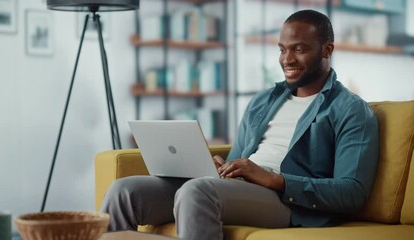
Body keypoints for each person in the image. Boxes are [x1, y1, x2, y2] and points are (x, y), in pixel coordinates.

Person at [100, 9, 379, 240]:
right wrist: (222, 167)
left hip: (287, 202)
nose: (287, 59)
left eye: (300, 49)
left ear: (327, 50)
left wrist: (276, 180)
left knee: (197, 191)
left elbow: (352, 192)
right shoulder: (264, 100)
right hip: (243, 188)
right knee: (124, 191)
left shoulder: (350, 109)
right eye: (282, 49)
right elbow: (239, 161)